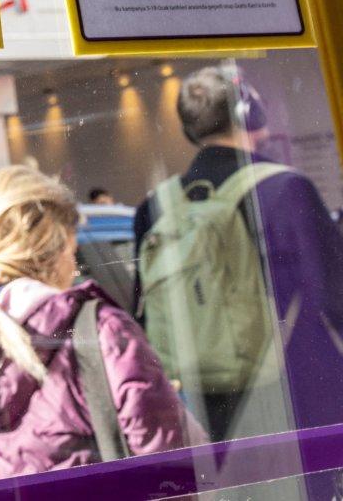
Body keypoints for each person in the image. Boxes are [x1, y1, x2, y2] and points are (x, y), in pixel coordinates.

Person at [0, 166, 197, 490]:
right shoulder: (100, 331)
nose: (73, 267)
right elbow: (176, 472)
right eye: (73, 253)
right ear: (56, 250)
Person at [134, 65, 343, 443]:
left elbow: (145, 307)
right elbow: (333, 294)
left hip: (207, 398)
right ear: (250, 113)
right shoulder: (285, 188)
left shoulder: (155, 205)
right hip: (297, 387)